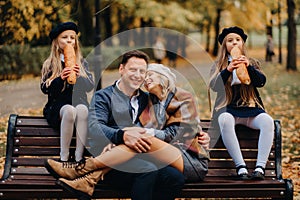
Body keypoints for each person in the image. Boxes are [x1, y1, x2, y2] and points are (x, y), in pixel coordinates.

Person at [45, 51, 210, 199]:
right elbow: (95, 127)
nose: (139, 76)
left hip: (146, 154)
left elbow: (177, 127)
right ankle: (85, 175)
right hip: (116, 159)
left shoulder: (149, 99)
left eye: (142, 72)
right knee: (147, 168)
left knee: (175, 178)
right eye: (133, 70)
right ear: (121, 69)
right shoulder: (104, 96)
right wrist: (120, 137)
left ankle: (84, 174)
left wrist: (200, 135)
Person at [209, 26, 274, 180]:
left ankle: (260, 167)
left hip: (250, 108)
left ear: (243, 44)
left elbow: (261, 82)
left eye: (238, 40)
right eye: (230, 40)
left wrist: (249, 67)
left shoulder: (252, 62)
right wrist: (228, 70)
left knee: (268, 121)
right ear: (225, 45)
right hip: (228, 109)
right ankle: (241, 167)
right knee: (225, 120)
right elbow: (214, 86)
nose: (234, 43)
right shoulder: (219, 65)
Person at [41, 22, 94, 164]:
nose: (69, 40)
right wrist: (60, 78)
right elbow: (45, 89)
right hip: (58, 107)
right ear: (56, 42)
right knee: (70, 111)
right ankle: (63, 157)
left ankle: (79, 156)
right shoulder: (50, 63)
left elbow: (90, 86)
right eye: (65, 37)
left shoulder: (81, 63)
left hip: (79, 103)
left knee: (82, 109)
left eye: (72, 37)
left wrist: (79, 77)